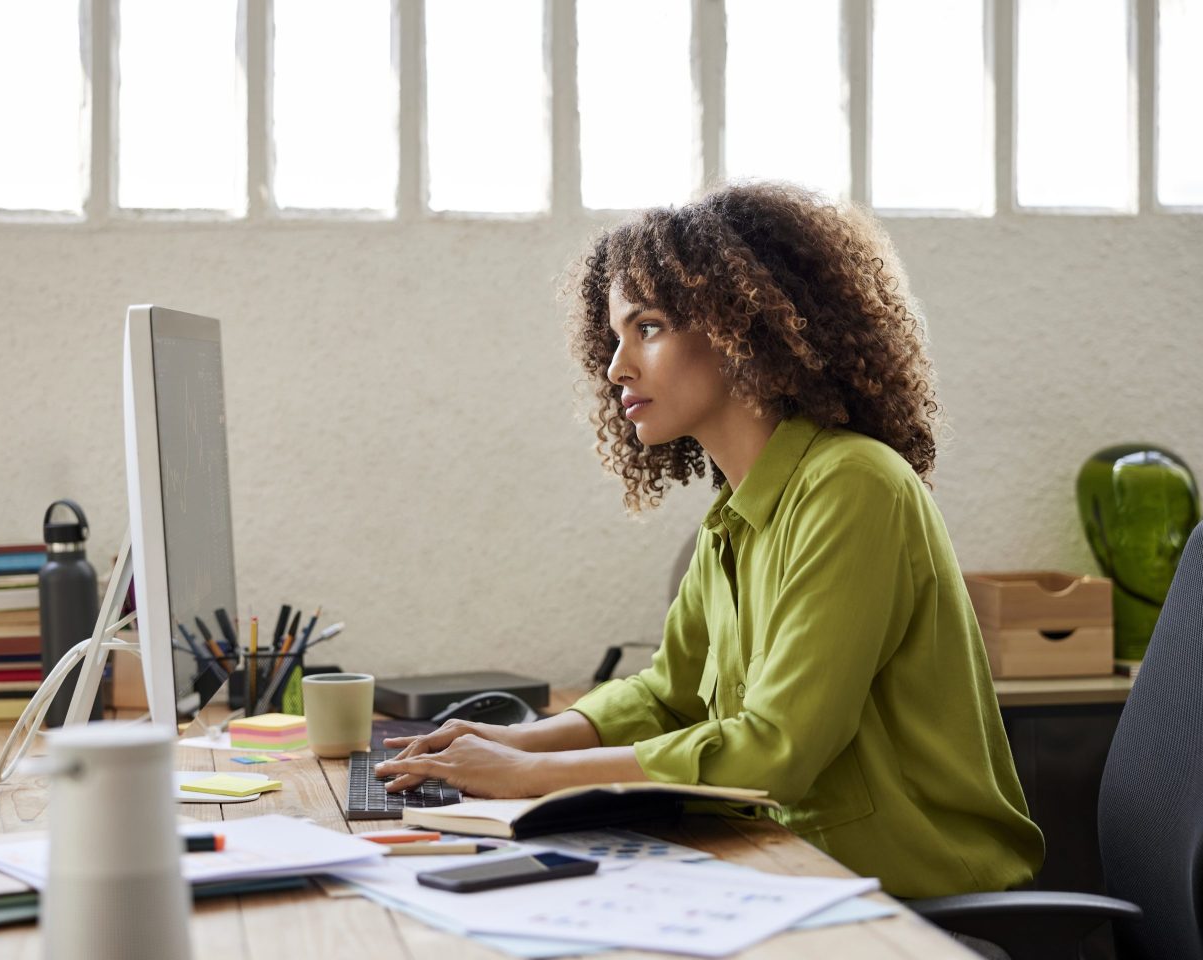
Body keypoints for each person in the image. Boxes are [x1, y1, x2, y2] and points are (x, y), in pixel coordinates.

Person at [375, 180, 1045, 898]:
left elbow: (774, 749)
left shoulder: (856, 487)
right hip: (788, 866)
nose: (616, 366)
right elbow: (668, 696)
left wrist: (531, 775)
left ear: (741, 327)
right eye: (616, 336)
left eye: (650, 327)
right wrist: (520, 740)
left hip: (922, 893)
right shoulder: (735, 516)